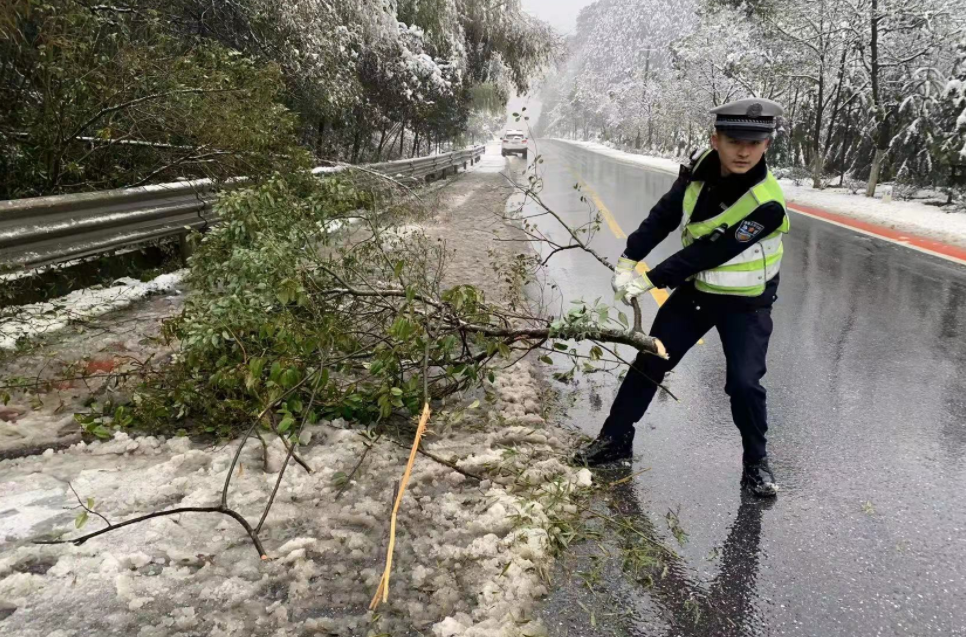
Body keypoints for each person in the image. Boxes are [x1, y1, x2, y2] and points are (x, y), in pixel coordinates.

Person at [573, 98, 789, 497]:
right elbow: (667, 213)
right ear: (715, 139)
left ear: (767, 145)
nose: (744, 151)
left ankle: (756, 464)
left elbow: (714, 249)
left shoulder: (768, 203)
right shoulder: (698, 171)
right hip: (698, 293)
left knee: (744, 383)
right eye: (734, 140)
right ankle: (615, 440)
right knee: (650, 360)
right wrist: (629, 257)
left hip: (747, 303)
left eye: (755, 143)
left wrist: (651, 279)